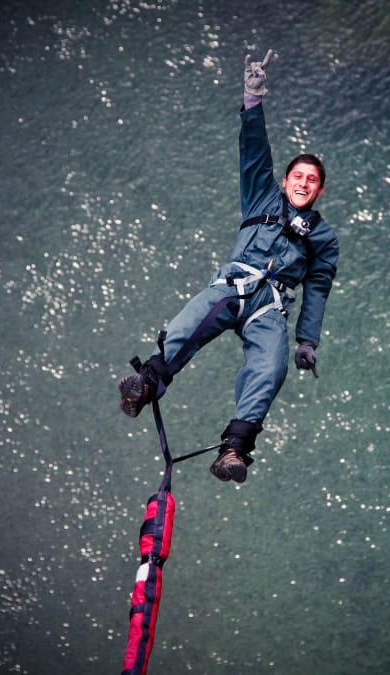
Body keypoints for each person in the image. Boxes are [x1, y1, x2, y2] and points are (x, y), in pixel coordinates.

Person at [118, 50, 339, 483]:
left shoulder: (324, 238)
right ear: (285, 181)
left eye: (312, 180)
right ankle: (147, 382)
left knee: (270, 367)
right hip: (234, 284)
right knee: (190, 323)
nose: (303, 182)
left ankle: (234, 448)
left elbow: (318, 289)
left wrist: (307, 341)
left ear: (320, 191)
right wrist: (253, 100)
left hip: (269, 307)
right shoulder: (261, 196)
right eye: (298, 175)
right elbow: (254, 150)